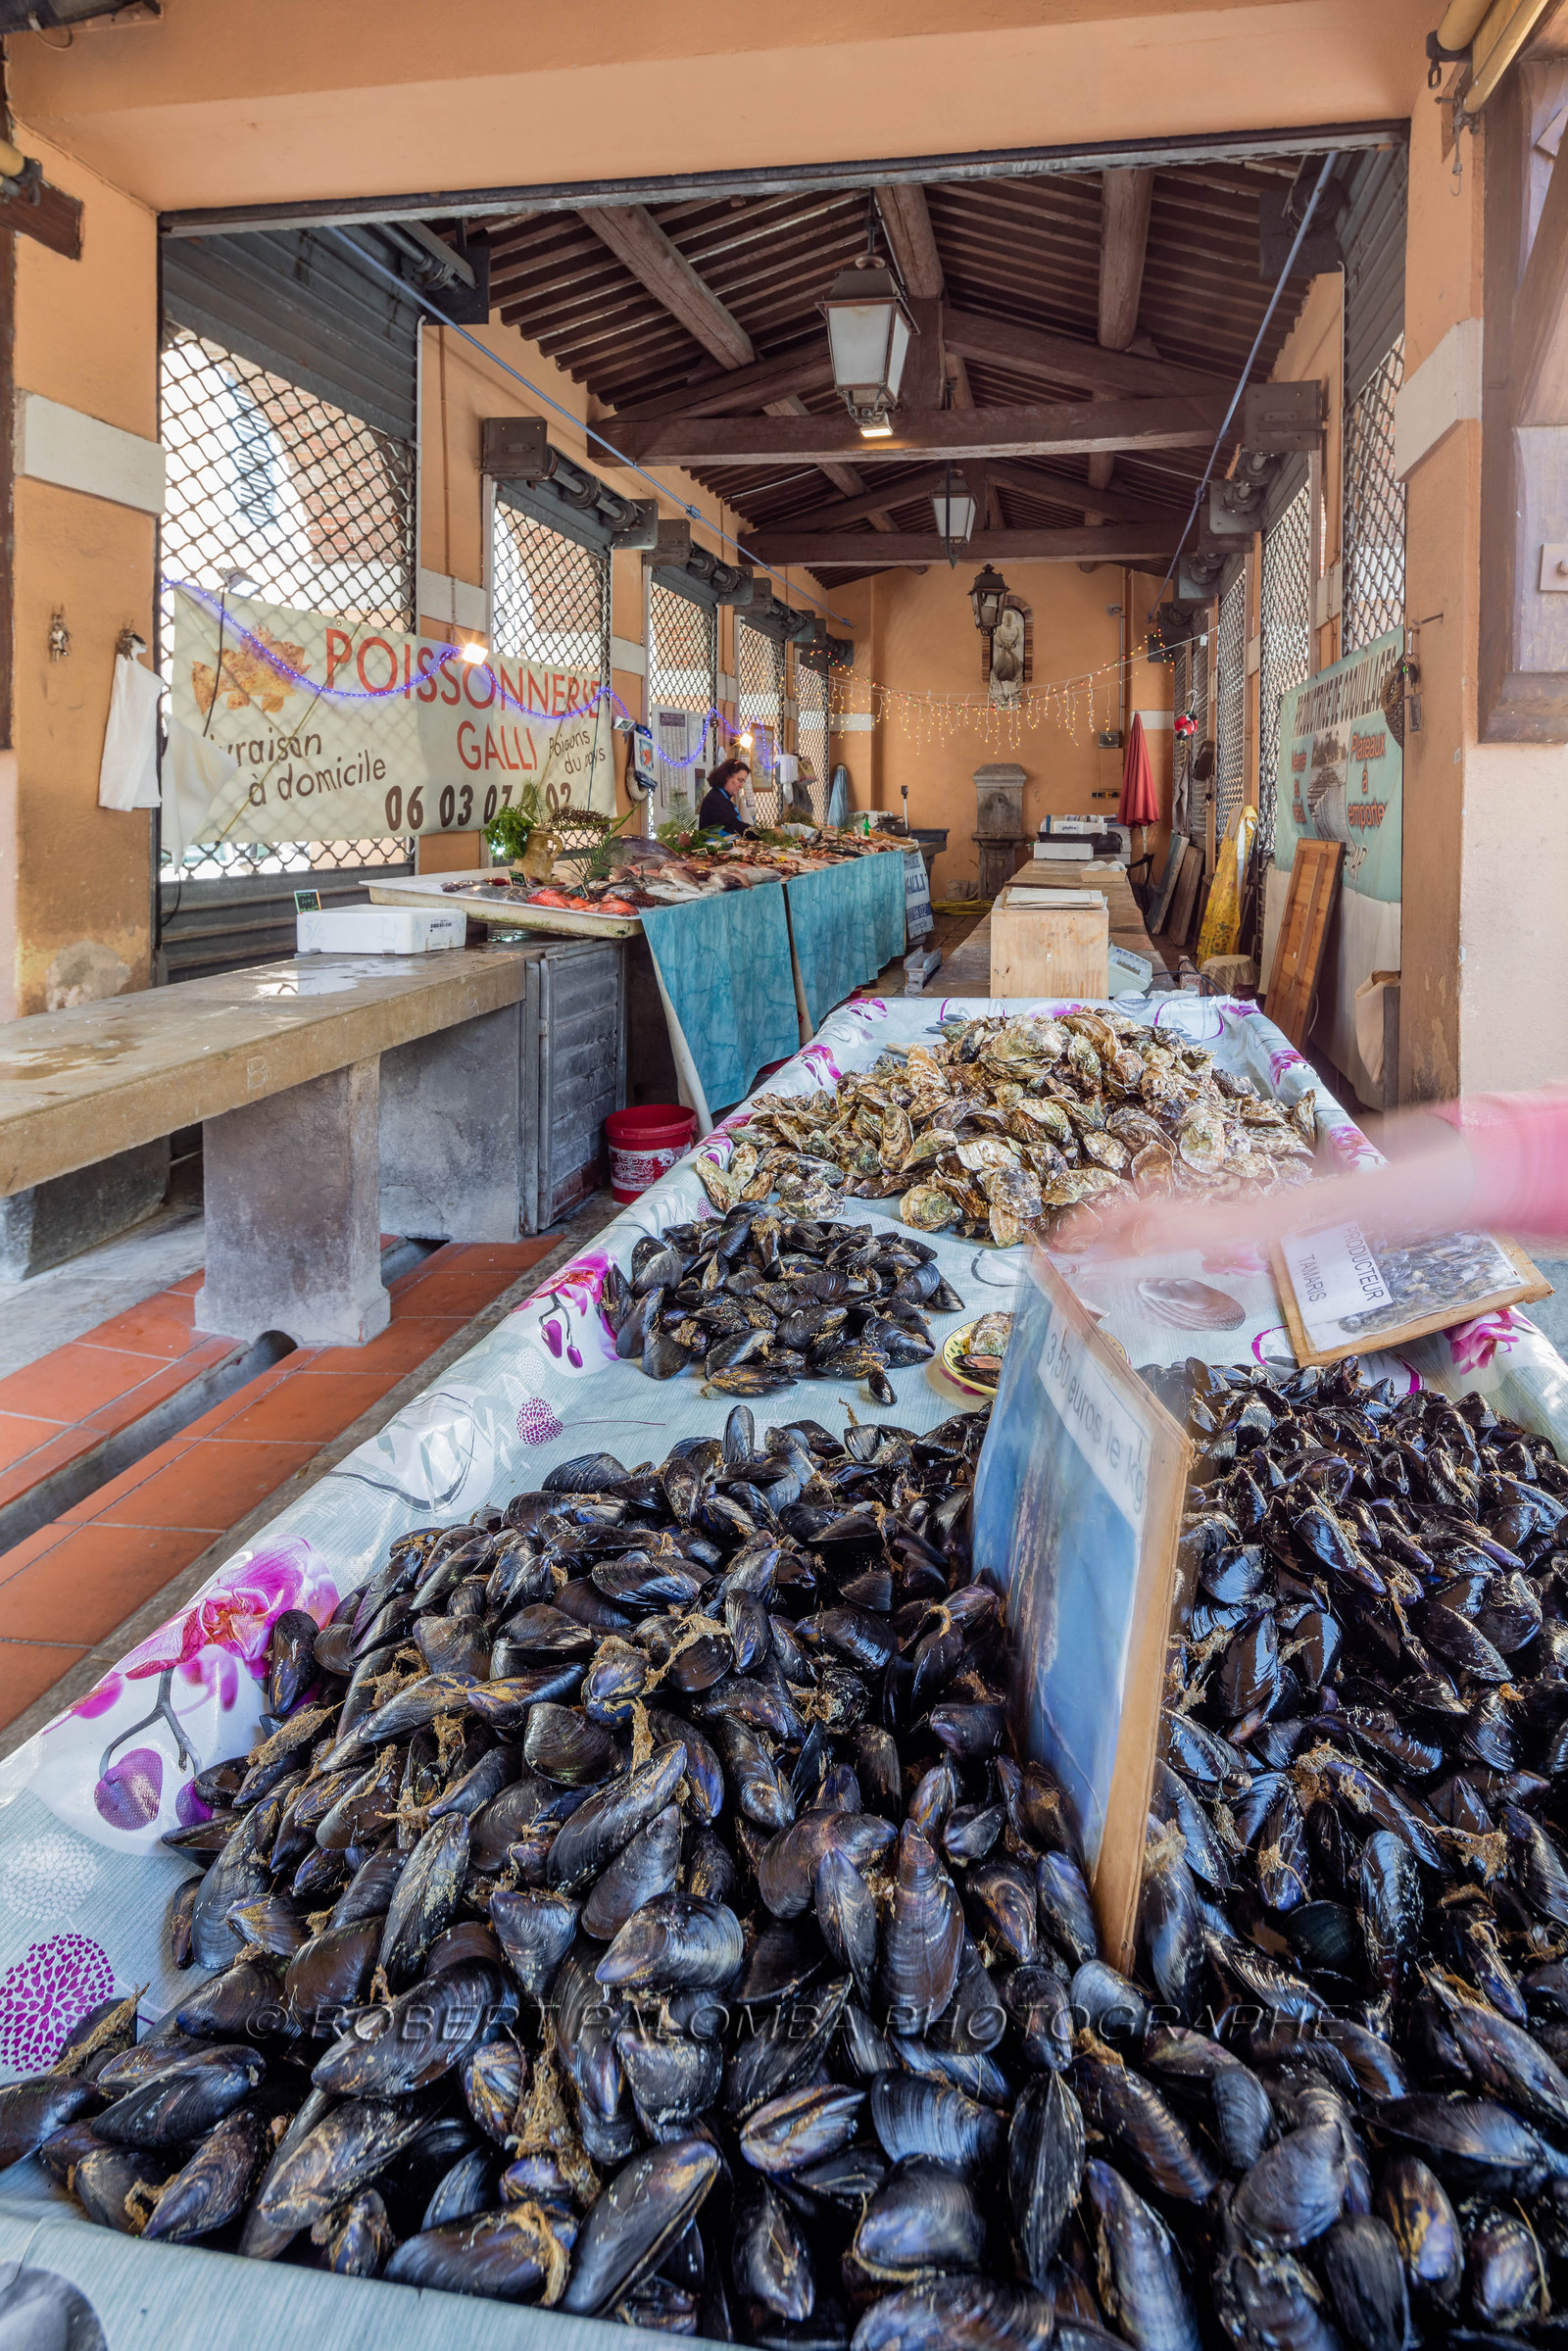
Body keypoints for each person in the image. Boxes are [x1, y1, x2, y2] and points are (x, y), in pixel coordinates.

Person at [698, 757, 751, 836]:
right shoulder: (715, 800)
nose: (741, 786)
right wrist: (760, 833)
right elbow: (734, 825)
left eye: (743, 781)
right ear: (727, 776)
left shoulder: (722, 797)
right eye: (740, 780)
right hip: (714, 846)